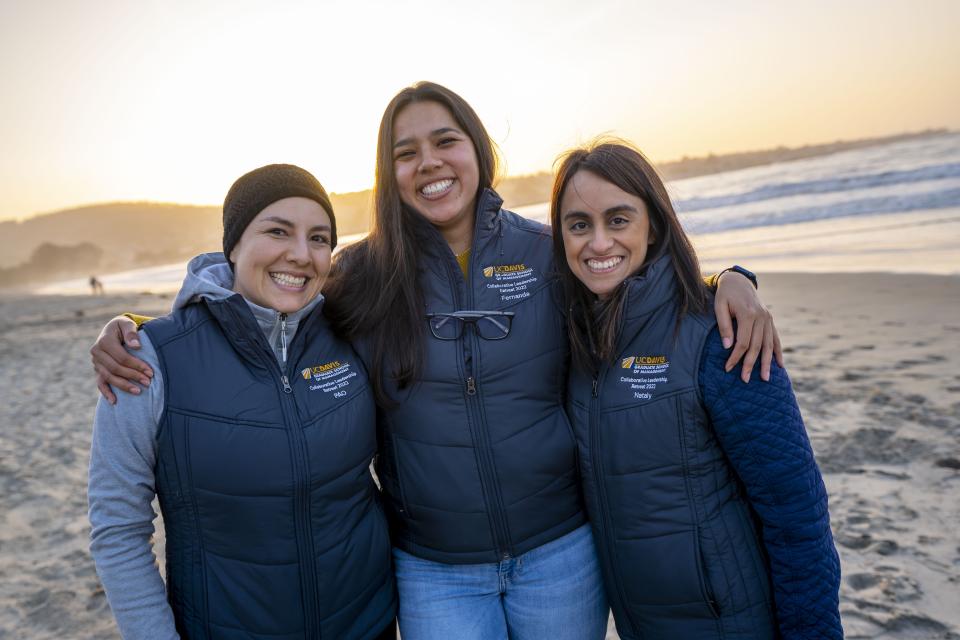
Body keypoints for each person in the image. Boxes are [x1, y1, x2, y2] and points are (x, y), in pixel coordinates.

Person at [90, 82, 781, 639]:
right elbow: (268, 295)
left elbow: (633, 280)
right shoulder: (359, 275)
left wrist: (730, 282)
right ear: (388, 173)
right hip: (433, 569)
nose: (430, 162)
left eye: (445, 141)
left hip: (561, 553)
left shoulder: (549, 254)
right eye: (406, 151)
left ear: (478, 150)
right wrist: (142, 323)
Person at [88, 164, 396, 640]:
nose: (300, 254)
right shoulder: (147, 359)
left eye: (319, 238)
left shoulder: (351, 332)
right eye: (277, 231)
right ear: (233, 245)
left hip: (366, 624)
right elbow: (118, 529)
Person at [551, 140, 842, 639]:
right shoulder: (575, 341)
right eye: (580, 225)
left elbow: (797, 513)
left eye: (619, 220)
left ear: (654, 225)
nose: (598, 243)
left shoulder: (721, 335)